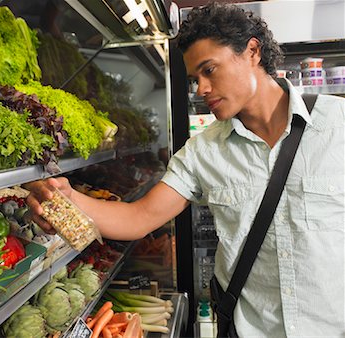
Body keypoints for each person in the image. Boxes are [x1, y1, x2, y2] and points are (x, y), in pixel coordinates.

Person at [24, 2, 345, 337]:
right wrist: (67, 198)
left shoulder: (339, 124)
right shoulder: (203, 151)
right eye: (195, 79)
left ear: (252, 51)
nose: (201, 89)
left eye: (210, 70)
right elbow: (139, 218)